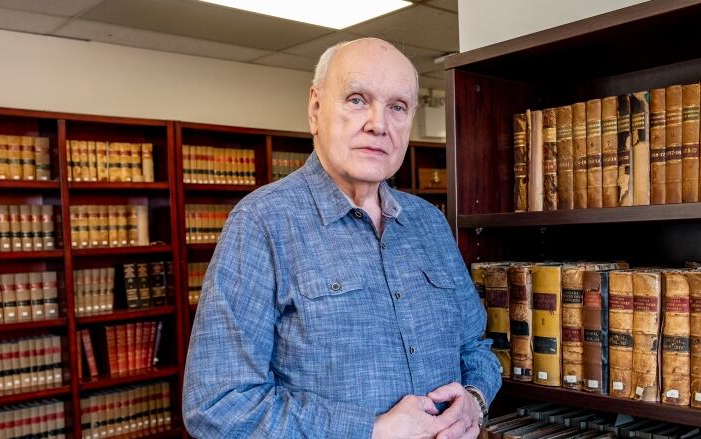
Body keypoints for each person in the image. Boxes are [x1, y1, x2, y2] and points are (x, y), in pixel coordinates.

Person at [182, 37, 501, 439]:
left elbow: (475, 346)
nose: (378, 124)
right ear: (316, 109)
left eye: (397, 107)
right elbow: (216, 404)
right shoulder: (262, 224)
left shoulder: (429, 224)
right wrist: (370, 430)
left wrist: (475, 399)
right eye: (356, 99)